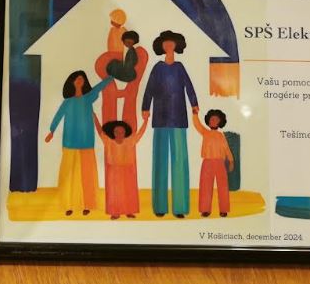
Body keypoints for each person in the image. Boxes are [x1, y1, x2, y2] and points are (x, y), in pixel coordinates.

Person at [141, 30, 198, 218]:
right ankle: (159, 207)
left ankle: (180, 207)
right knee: (160, 161)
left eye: (171, 43)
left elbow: (189, 86)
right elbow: (149, 88)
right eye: (165, 43)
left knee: (180, 161)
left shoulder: (180, 67)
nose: (168, 46)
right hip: (160, 118)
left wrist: (194, 104)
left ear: (176, 45)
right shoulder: (157, 68)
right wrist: (145, 107)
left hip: (179, 118)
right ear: (162, 46)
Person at [45, 71, 112, 216]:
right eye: (77, 79)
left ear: (84, 82)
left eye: (82, 78)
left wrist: (111, 76)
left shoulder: (88, 98)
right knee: (69, 175)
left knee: (87, 175)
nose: (80, 80)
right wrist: (52, 131)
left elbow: (99, 87)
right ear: (72, 82)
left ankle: (88, 204)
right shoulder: (67, 102)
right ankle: (68, 205)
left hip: (87, 142)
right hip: (69, 142)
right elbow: (58, 116)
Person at [95, 12, 150, 129]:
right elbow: (111, 44)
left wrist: (119, 59)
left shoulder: (130, 48)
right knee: (112, 67)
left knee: (113, 66)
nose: (112, 22)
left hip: (127, 72)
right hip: (118, 60)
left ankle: (116, 76)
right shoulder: (114, 32)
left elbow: (129, 64)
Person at [93, 113, 149, 219]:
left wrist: (146, 121)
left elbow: (140, 133)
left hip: (127, 170)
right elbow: (99, 130)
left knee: (128, 192)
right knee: (115, 193)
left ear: (125, 132)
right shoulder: (108, 141)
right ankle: (115, 212)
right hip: (113, 172)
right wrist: (94, 117)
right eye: (117, 132)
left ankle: (129, 211)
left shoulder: (130, 141)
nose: (119, 134)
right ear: (113, 133)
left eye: (122, 132)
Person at [193, 108, 234, 217]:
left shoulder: (221, 136)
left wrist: (231, 160)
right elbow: (197, 125)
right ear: (208, 121)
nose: (213, 121)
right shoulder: (205, 132)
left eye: (216, 119)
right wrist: (195, 114)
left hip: (220, 162)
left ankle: (224, 209)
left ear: (220, 122)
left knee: (223, 186)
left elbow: (226, 148)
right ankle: (205, 209)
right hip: (207, 162)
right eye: (211, 119)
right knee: (205, 186)